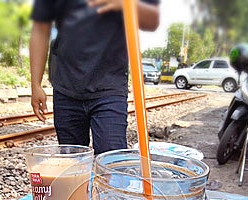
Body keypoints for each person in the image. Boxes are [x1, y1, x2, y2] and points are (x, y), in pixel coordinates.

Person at [29, 0, 160, 154]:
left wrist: (126, 4)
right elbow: (40, 28)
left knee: (111, 161)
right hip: (66, 87)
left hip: (109, 88)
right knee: (72, 164)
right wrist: (35, 85)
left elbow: (152, 20)